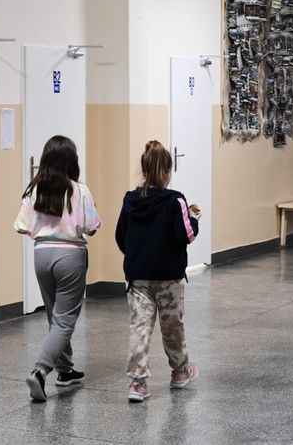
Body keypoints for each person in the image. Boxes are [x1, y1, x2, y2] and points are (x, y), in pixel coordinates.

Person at [15, 135, 102, 402]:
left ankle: (65, 371)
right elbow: (92, 227)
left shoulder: (34, 191)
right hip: (70, 256)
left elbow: (21, 226)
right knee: (65, 319)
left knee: (55, 315)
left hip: (42, 254)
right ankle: (40, 370)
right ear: (71, 161)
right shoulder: (80, 191)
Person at [116, 140, 200, 403]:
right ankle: (179, 371)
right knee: (172, 325)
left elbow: (121, 236)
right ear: (167, 171)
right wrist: (194, 218)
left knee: (139, 327)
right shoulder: (175, 200)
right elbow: (186, 234)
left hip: (138, 277)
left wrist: (136, 255)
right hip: (169, 277)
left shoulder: (130, 200)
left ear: (144, 169)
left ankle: (138, 383)